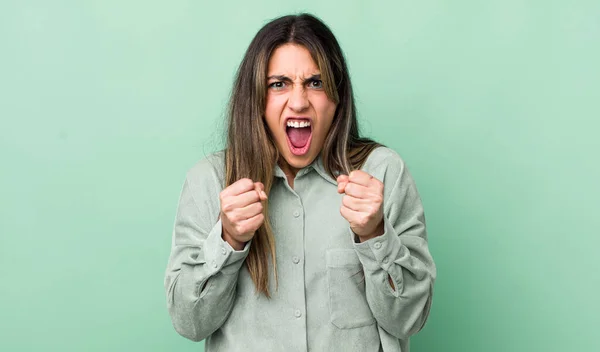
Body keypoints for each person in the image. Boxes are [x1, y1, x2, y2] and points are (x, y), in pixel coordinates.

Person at [164, 13, 436, 352]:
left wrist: (375, 233)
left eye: (315, 83)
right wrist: (228, 239)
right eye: (279, 84)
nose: (298, 101)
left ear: (337, 99)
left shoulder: (383, 173)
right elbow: (189, 323)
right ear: (258, 100)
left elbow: (409, 320)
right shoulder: (210, 181)